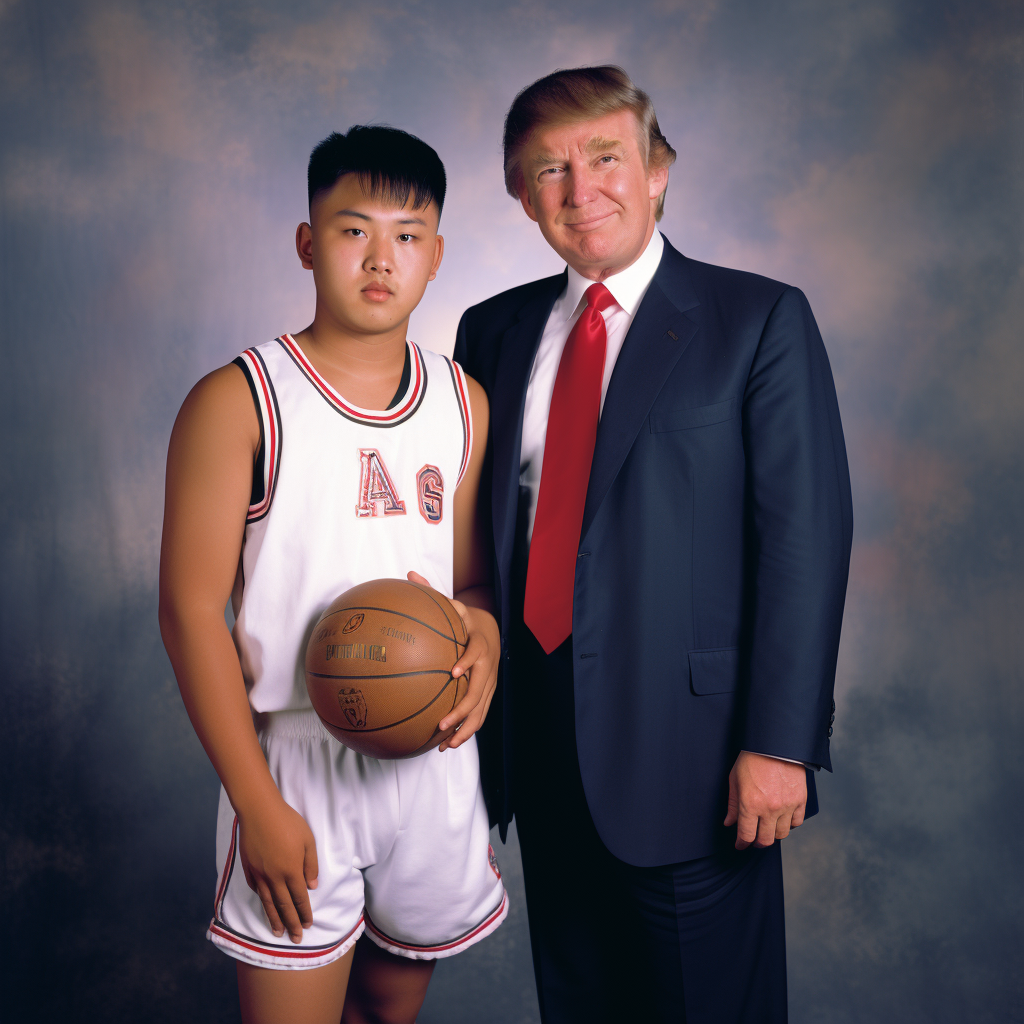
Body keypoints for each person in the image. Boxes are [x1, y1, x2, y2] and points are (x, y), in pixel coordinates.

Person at [454, 66, 853, 1023]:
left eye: (604, 157)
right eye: (548, 170)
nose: (579, 190)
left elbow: (806, 542)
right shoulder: (491, 331)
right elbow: (471, 533)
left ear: (659, 170)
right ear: (521, 197)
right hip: (543, 750)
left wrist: (779, 743)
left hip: (700, 759)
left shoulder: (755, 320)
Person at [159, 125, 506, 1024]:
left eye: (407, 233)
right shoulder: (239, 399)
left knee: (390, 1011)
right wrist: (254, 800)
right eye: (353, 231)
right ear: (309, 244)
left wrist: (489, 639)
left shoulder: (462, 400)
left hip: (431, 760)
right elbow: (190, 612)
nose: (380, 257)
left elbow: (469, 587)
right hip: (296, 761)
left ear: (436, 255)